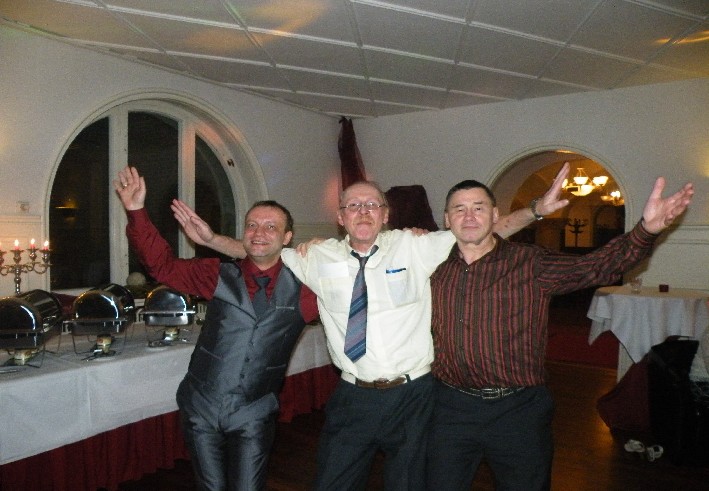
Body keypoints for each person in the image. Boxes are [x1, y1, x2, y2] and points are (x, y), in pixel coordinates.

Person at [170, 165, 570, 491]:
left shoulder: (415, 246)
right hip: (352, 395)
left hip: (413, 396)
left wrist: (536, 209)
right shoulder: (316, 256)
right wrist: (212, 238)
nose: (363, 211)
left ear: (385, 214)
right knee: (332, 482)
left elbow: (479, 232)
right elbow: (261, 252)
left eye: (372, 204)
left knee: (407, 484)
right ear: (340, 217)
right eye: (353, 205)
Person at [426, 176, 694, 490]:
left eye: (478, 207)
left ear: (495, 215)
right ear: (447, 219)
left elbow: (596, 267)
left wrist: (646, 230)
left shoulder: (529, 262)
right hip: (450, 408)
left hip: (517, 410)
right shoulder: (431, 266)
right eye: (459, 209)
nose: (469, 216)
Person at [113, 166, 318, 491]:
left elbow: (359, 288)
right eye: (252, 225)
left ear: (287, 238)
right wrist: (136, 210)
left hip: (254, 411)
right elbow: (162, 266)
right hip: (202, 406)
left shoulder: (308, 288)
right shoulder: (217, 274)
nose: (259, 232)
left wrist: (323, 249)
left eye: (271, 227)